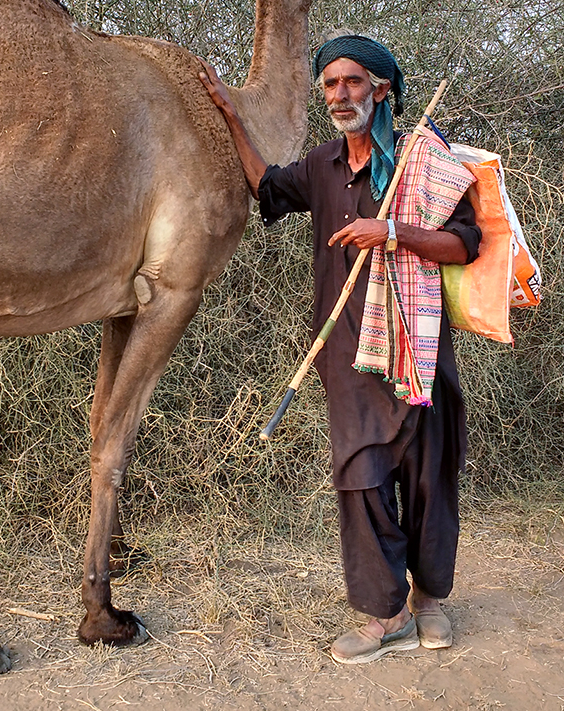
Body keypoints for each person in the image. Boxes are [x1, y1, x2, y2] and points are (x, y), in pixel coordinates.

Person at [198, 34, 481, 665]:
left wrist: (393, 231)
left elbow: (465, 245)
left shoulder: (423, 164)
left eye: (352, 82)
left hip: (418, 349)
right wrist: (230, 115)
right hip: (347, 355)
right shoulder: (322, 165)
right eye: (329, 84)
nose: (339, 95)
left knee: (429, 477)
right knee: (362, 479)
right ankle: (384, 617)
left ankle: (430, 599)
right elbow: (267, 189)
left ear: (382, 90)